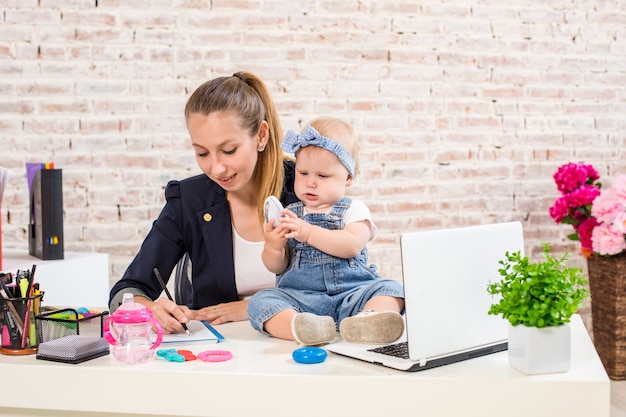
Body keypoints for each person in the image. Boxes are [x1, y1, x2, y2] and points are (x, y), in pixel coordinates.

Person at [108, 71, 298, 334]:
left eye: (229, 150)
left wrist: (253, 306)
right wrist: (144, 307)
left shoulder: (308, 190)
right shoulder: (188, 200)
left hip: (302, 348)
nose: (217, 168)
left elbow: (341, 286)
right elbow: (128, 289)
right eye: (202, 153)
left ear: (261, 136)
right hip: (219, 356)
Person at [247, 117, 405, 346]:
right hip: (303, 300)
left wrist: (308, 233)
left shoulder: (353, 209)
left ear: (348, 178)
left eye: (322, 176)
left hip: (352, 295)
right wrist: (274, 246)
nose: (311, 183)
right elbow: (277, 267)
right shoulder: (291, 213)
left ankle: (368, 321)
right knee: (261, 301)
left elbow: (351, 245)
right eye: (303, 173)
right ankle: (302, 327)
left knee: (392, 290)